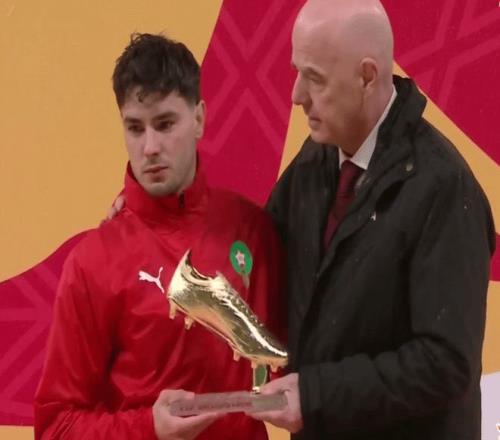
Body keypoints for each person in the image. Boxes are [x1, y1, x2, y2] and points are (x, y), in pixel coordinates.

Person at [249, 0, 496, 439]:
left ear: (367, 76)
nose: (296, 95)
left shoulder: (444, 188)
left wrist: (319, 395)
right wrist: (143, 212)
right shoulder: (315, 159)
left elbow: (445, 363)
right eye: (297, 72)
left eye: (315, 78)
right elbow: (256, 251)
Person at [34, 33, 285, 440]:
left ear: (199, 119)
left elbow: (294, 371)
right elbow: (56, 428)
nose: (150, 147)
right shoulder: (93, 262)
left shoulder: (253, 230)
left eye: (165, 124)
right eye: (135, 128)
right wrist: (148, 427)